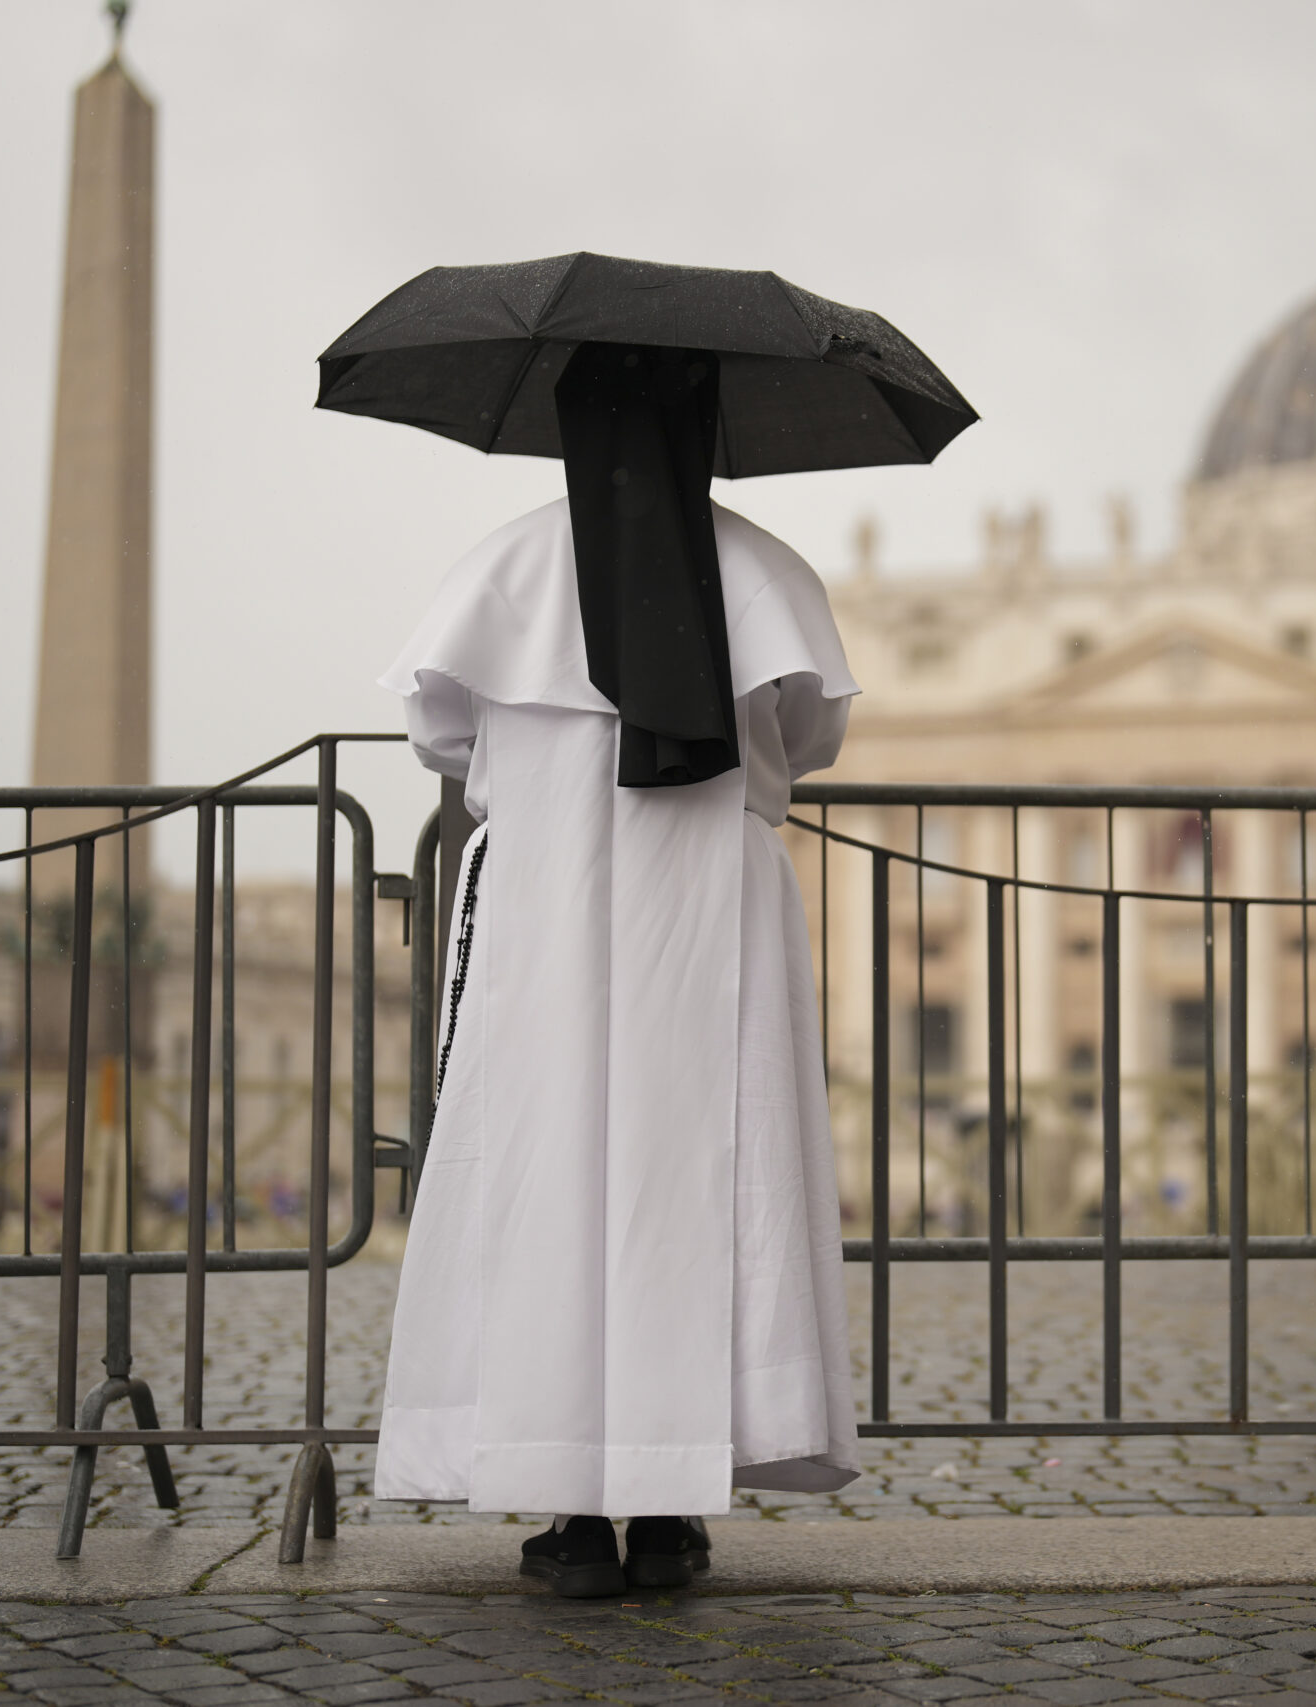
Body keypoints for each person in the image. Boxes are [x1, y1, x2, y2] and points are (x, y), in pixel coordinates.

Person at [372, 344, 862, 1598]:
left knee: (546, 1185)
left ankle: (572, 1514)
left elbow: (438, 727)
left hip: (545, 909)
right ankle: (672, 1505)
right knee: (700, 1189)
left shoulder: (509, 566)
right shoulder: (760, 570)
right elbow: (809, 735)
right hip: (713, 917)